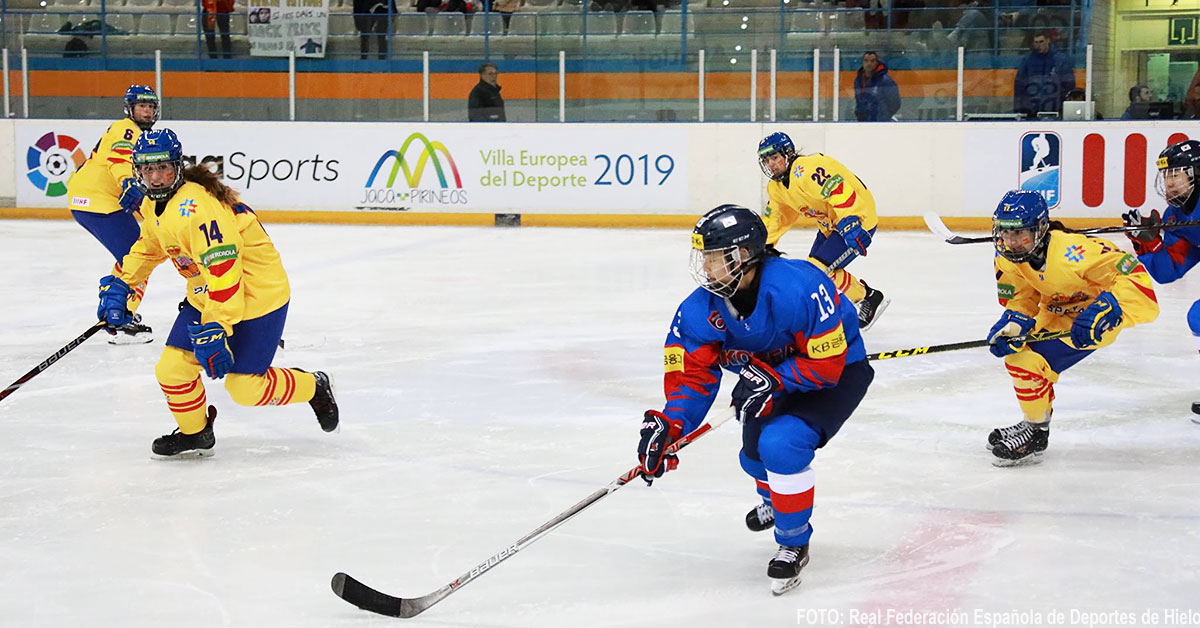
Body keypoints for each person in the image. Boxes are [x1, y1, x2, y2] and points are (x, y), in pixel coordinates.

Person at [636, 205, 872, 595]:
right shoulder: (698, 310)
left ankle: (793, 541)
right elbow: (690, 380)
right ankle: (775, 497)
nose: (706, 267)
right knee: (752, 458)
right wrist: (671, 424)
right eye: (705, 257)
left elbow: (827, 365)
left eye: (714, 257)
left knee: (781, 445)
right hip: (765, 380)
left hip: (836, 372)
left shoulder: (800, 287)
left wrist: (776, 378)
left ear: (742, 256)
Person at [98, 128, 339, 458]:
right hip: (208, 293)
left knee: (245, 389)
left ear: (178, 167)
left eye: (163, 169)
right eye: (147, 170)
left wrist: (216, 328)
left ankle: (314, 385)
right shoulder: (157, 205)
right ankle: (195, 433)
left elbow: (226, 276)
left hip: (257, 296)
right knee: (171, 369)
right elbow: (149, 247)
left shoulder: (198, 209)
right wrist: (123, 285)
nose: (155, 179)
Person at [985, 190, 1159, 465]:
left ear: (1041, 229)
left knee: (1025, 360)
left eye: (1021, 234)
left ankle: (1035, 431)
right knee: (1019, 354)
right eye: (1005, 233)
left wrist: (1110, 306)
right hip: (1056, 312)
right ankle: (1034, 423)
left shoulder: (1073, 253)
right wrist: (1014, 322)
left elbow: (1132, 275)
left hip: (1096, 317)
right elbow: (1023, 296)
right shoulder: (1006, 255)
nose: (1012, 242)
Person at [755, 132, 890, 330]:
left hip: (856, 219)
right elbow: (776, 218)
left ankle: (864, 298)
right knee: (816, 271)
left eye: (775, 157)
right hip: (830, 226)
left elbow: (839, 190)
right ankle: (868, 297)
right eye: (767, 161)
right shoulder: (776, 188)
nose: (771, 165)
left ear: (788, 153)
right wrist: (761, 246)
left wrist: (851, 220)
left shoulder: (806, 169)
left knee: (817, 270)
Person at [66, 85, 160, 345]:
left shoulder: (140, 136)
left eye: (151, 106)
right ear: (130, 108)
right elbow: (118, 160)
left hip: (97, 199)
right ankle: (119, 317)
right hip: (98, 200)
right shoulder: (126, 128)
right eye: (142, 106)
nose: (147, 111)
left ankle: (117, 310)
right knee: (137, 255)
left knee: (137, 254)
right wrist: (128, 182)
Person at [1120, 140, 1200, 422]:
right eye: (1166, 175)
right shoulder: (1176, 216)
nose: (1169, 182)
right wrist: (1149, 242)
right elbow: (1170, 271)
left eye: (1176, 174)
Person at [1013, 31, 1074, 118]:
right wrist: (1021, 108)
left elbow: (1068, 85)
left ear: (1048, 40)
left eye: (1041, 41)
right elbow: (1020, 85)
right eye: (1036, 42)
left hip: (1055, 110)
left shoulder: (1060, 59)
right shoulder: (1027, 61)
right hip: (1032, 110)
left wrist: (1063, 107)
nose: (1038, 45)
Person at [853, 51, 901, 122]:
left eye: (872, 61)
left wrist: (884, 116)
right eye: (866, 61)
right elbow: (858, 100)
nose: (869, 64)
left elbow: (895, 103)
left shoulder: (886, 81)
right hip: (863, 122)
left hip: (881, 122)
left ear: (877, 62)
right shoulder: (858, 80)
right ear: (862, 62)